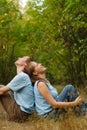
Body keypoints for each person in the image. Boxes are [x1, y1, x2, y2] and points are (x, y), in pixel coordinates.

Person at [0, 56, 35, 122]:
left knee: (1, 88)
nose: (19, 57)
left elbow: (1, 91)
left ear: (24, 64)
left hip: (20, 114)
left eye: (22, 57)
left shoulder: (22, 76)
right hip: (24, 113)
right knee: (1, 87)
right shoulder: (23, 76)